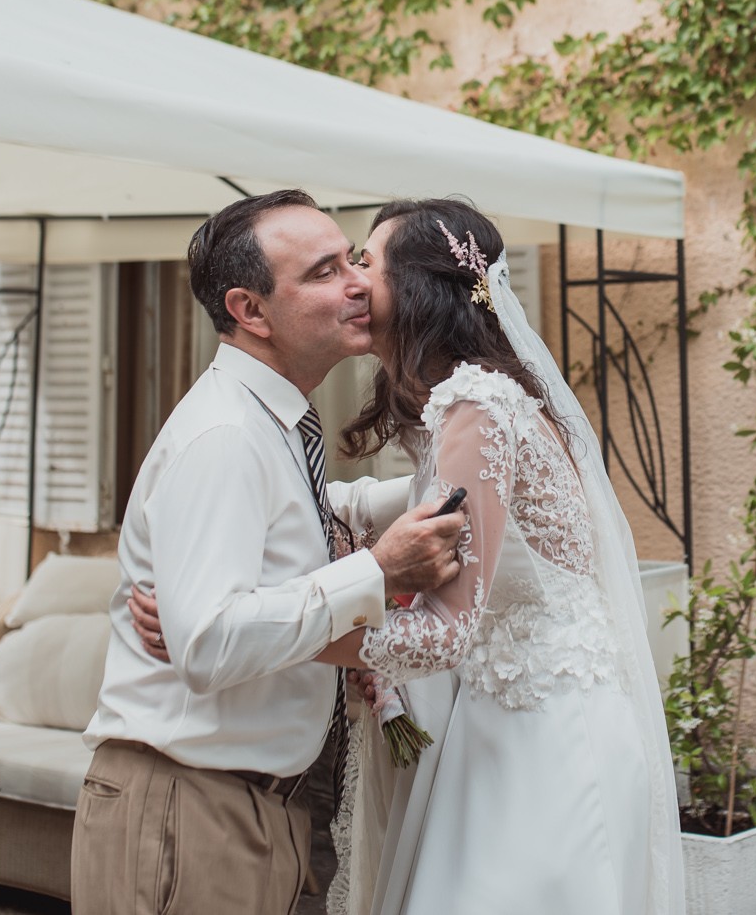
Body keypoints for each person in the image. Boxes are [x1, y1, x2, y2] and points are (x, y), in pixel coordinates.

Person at [132, 198, 686, 915]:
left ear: (418, 287)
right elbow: (376, 503)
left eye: (365, 260)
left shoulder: (476, 407)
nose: (354, 279)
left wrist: (247, 632)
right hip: (538, 723)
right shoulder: (486, 402)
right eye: (336, 265)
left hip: (537, 746)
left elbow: (441, 635)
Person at [72, 190, 468, 915]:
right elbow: (208, 644)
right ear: (251, 311)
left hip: (252, 806)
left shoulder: (275, 422)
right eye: (322, 272)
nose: (357, 281)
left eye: (352, 258)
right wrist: (378, 569)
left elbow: (300, 518)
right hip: (191, 806)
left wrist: (448, 481)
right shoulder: (225, 436)